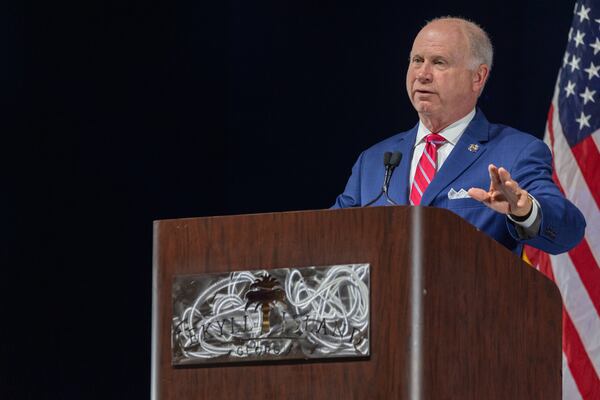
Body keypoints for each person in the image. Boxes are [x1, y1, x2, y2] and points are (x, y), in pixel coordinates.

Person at [332, 17, 585, 255]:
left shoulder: (516, 151)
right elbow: (328, 236)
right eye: (417, 60)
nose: (422, 74)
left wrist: (524, 211)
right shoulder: (374, 161)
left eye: (439, 62)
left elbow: (569, 229)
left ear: (478, 77)